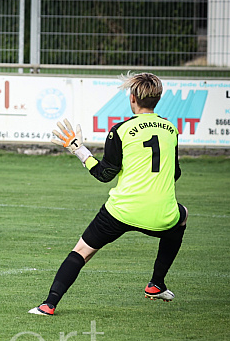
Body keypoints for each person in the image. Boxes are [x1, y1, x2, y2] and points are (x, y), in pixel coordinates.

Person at [29, 72, 187, 316]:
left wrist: (78, 150)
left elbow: (104, 174)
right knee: (183, 215)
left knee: (82, 251)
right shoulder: (171, 129)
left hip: (121, 211)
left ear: (133, 98)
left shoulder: (121, 130)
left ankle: (48, 304)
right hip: (161, 213)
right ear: (158, 99)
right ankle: (156, 284)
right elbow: (174, 173)